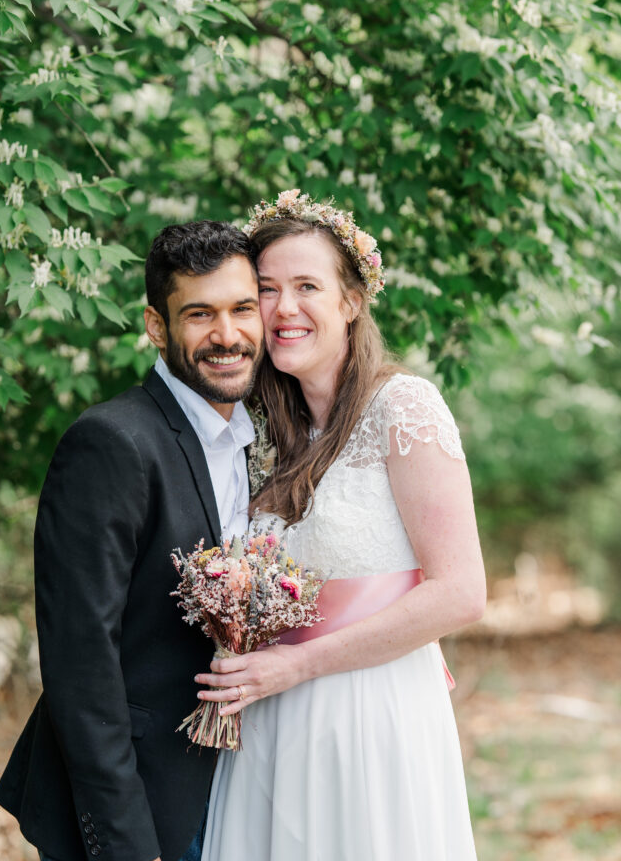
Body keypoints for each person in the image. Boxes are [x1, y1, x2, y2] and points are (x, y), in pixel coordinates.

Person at [197, 191, 486, 861]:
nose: (284, 308)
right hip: (272, 718)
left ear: (351, 301)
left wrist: (298, 664)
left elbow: (461, 593)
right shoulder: (266, 434)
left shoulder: (402, 407)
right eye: (266, 289)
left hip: (369, 715)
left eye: (307, 286)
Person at [0, 221, 264, 861]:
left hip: (236, 791)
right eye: (199, 314)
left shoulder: (254, 441)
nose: (227, 335)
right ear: (156, 326)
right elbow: (80, 664)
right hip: (140, 806)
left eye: (242, 309)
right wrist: (125, 847)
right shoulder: (112, 442)